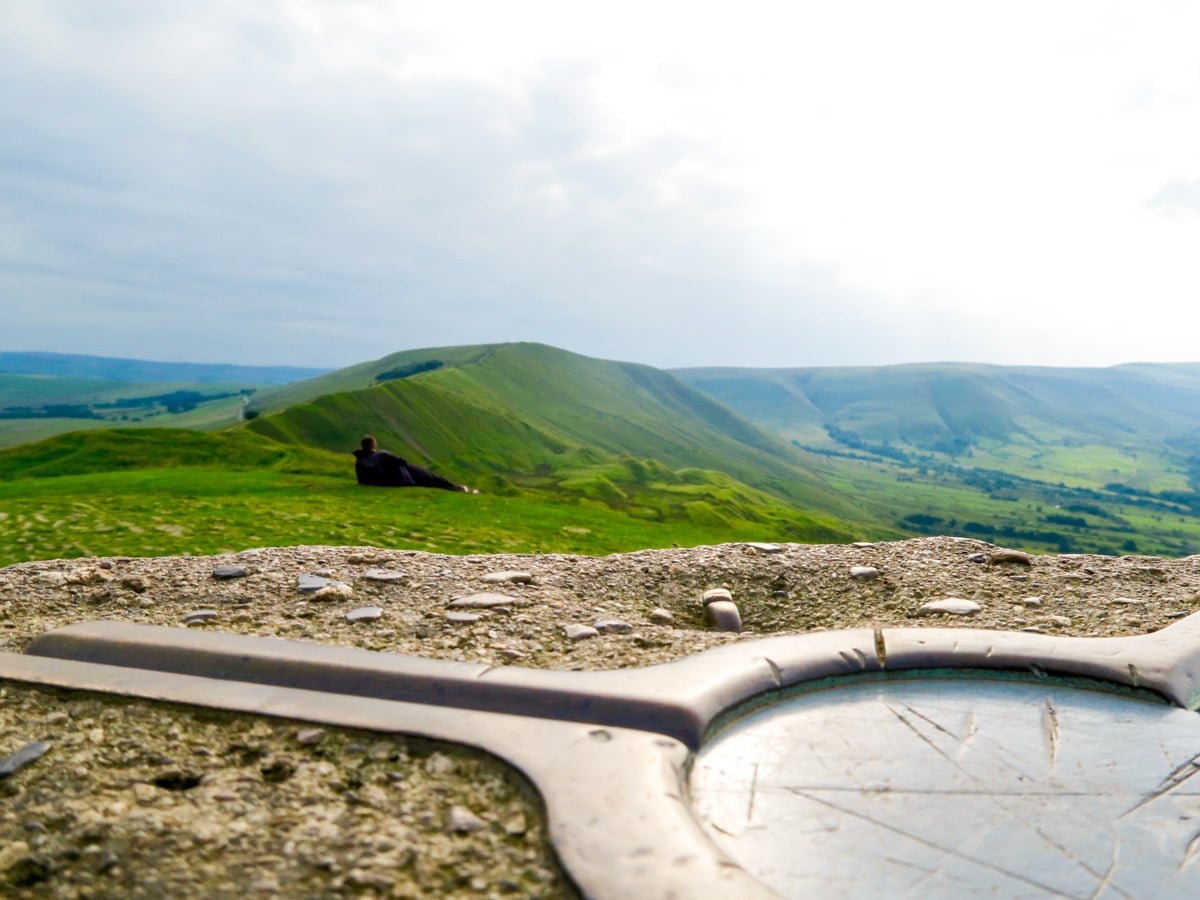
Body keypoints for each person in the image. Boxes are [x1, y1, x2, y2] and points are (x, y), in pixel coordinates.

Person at [353, 435, 477, 492]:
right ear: (374, 445)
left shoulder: (359, 460)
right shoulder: (382, 455)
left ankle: (457, 488)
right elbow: (401, 461)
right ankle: (459, 488)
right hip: (402, 478)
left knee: (430, 480)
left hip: (385, 481)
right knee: (432, 478)